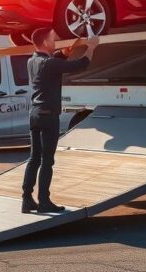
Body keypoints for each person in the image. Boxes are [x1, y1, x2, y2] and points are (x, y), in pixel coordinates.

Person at [21, 28, 96, 214]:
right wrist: (92, 46)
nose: (55, 42)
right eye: (53, 39)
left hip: (35, 115)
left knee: (34, 158)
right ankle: (44, 201)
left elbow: (52, 65)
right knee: (47, 161)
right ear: (46, 43)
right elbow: (81, 65)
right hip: (48, 116)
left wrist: (63, 54)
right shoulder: (49, 63)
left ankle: (27, 199)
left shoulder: (32, 61)